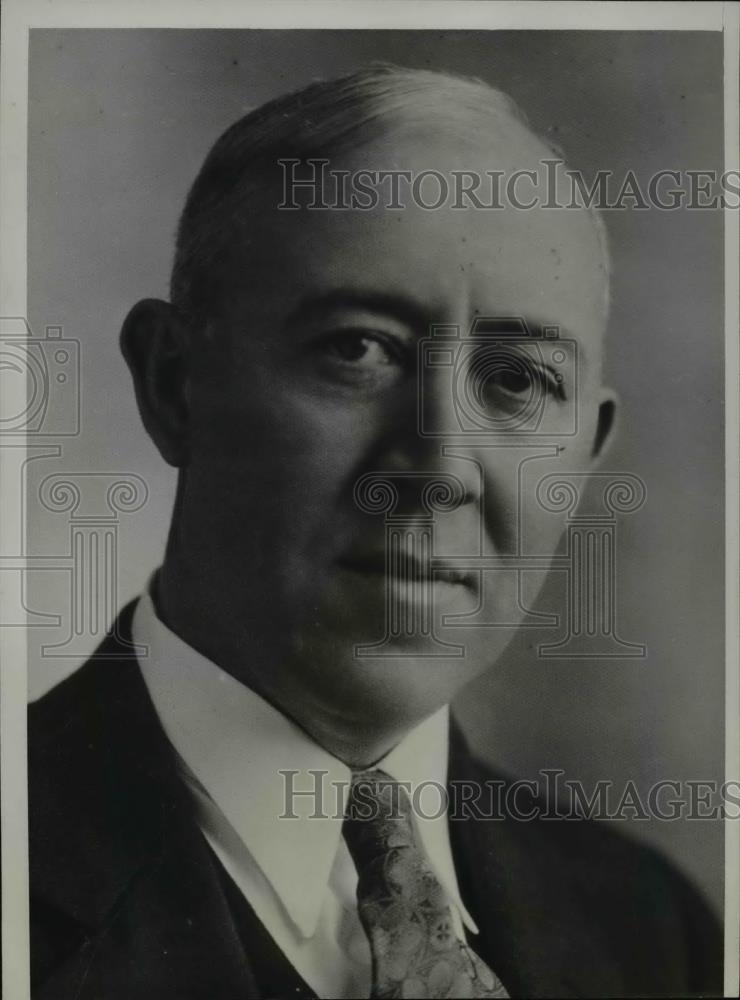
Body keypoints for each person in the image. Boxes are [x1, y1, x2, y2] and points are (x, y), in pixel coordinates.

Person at [29, 65, 722, 999]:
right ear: (174, 382)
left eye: (517, 381)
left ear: (585, 456)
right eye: (357, 348)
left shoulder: (658, 936)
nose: (439, 468)